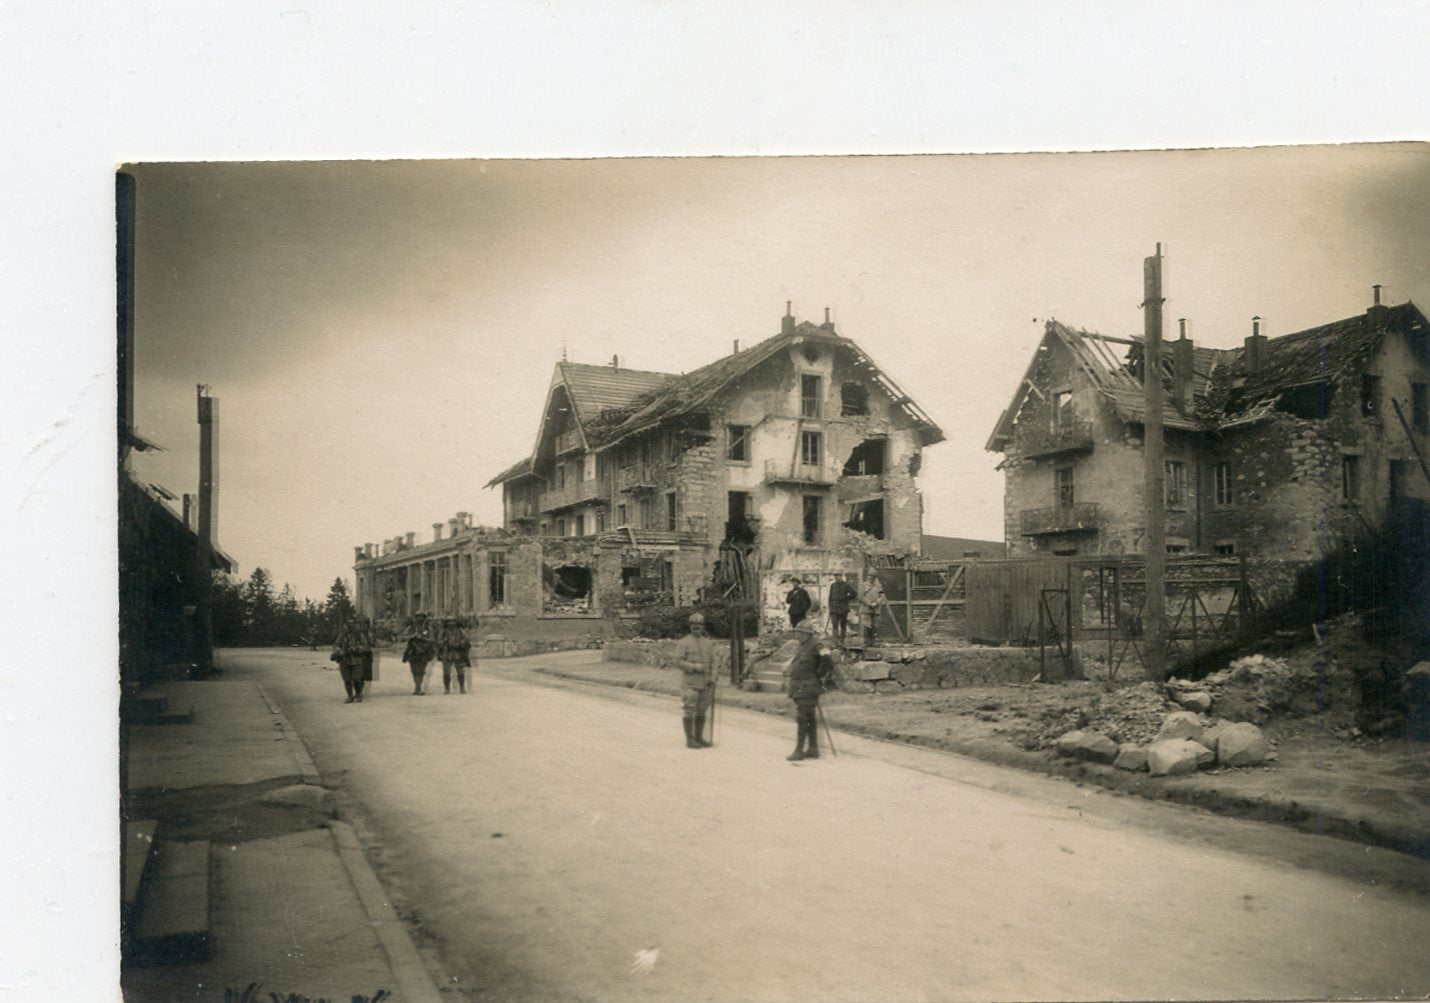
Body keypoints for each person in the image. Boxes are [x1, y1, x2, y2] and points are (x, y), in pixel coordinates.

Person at [786, 623, 833, 761]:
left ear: (807, 633)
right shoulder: (803, 645)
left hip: (809, 686)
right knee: (809, 718)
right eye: (796, 632)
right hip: (801, 686)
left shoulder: (817, 645)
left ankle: (799, 751)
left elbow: (828, 660)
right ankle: (813, 749)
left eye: (799, 632)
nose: (796, 635)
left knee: (802, 717)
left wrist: (818, 673)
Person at [673, 611, 716, 749]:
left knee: (702, 710)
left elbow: (713, 661)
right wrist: (695, 667)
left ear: (703, 626)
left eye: (699, 624)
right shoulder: (683, 643)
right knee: (689, 710)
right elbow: (678, 662)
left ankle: (699, 737)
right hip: (690, 684)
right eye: (694, 624)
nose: (696, 627)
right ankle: (690, 739)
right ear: (690, 626)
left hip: (705, 683)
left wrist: (713, 676)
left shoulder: (708, 643)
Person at [329, 617, 370, 704]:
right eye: (348, 625)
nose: (349, 626)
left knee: (356, 678)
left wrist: (357, 648)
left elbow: (366, 646)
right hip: (344, 660)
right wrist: (339, 650)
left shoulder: (360, 635)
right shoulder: (342, 635)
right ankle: (350, 696)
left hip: (357, 660)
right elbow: (336, 645)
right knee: (347, 679)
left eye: (352, 624)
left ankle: (358, 694)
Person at [401, 613, 436, 696]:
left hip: (423, 651)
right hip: (412, 651)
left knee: (420, 670)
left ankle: (418, 687)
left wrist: (422, 638)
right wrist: (413, 636)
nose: (420, 619)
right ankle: (417, 686)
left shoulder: (426, 629)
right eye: (418, 618)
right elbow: (403, 637)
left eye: (422, 618)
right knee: (414, 670)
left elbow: (432, 639)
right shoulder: (410, 628)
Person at [437, 616, 472, 695]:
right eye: (449, 622)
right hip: (447, 653)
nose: (451, 623)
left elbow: (466, 639)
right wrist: (444, 642)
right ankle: (447, 688)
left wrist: (459, 644)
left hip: (458, 653)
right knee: (446, 672)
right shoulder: (443, 631)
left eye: (453, 621)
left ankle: (462, 688)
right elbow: (438, 641)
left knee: (460, 671)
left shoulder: (460, 631)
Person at [827, 573, 858, 644]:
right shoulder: (833, 585)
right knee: (834, 624)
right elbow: (830, 597)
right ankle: (836, 642)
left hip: (843, 608)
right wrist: (830, 606)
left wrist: (846, 599)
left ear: (841, 577)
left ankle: (842, 640)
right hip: (834, 609)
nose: (837, 577)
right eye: (835, 576)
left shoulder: (846, 585)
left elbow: (854, 594)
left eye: (838, 576)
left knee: (843, 625)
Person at [859, 576, 886, 646]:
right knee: (867, 626)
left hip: (876, 609)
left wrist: (877, 602)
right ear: (868, 576)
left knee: (875, 626)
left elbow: (882, 595)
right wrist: (869, 603)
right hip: (866, 608)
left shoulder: (878, 586)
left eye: (873, 577)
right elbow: (861, 596)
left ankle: (872, 642)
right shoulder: (863, 585)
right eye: (870, 576)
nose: (871, 578)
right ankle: (866, 642)